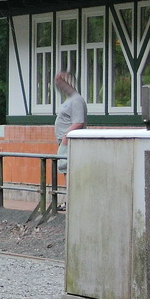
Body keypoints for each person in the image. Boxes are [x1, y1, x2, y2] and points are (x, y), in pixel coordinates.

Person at [54, 70, 86, 207]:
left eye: (62, 82)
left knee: (68, 170)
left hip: (70, 142)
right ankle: (68, 200)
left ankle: (71, 201)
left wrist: (67, 136)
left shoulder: (77, 100)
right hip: (64, 141)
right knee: (65, 170)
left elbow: (78, 122)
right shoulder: (69, 100)